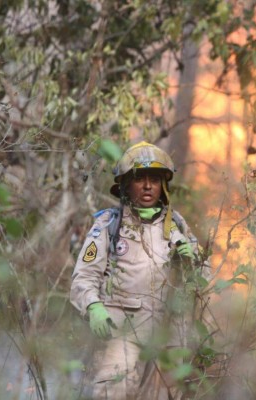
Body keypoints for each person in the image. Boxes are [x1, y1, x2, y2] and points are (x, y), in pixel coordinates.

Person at [70, 141, 210, 399]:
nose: (147, 186)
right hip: (121, 331)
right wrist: (93, 307)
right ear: (125, 185)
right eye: (140, 179)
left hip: (169, 335)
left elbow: (205, 281)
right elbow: (84, 276)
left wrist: (194, 263)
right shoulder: (109, 225)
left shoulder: (177, 225)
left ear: (163, 186)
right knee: (114, 391)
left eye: (154, 180)